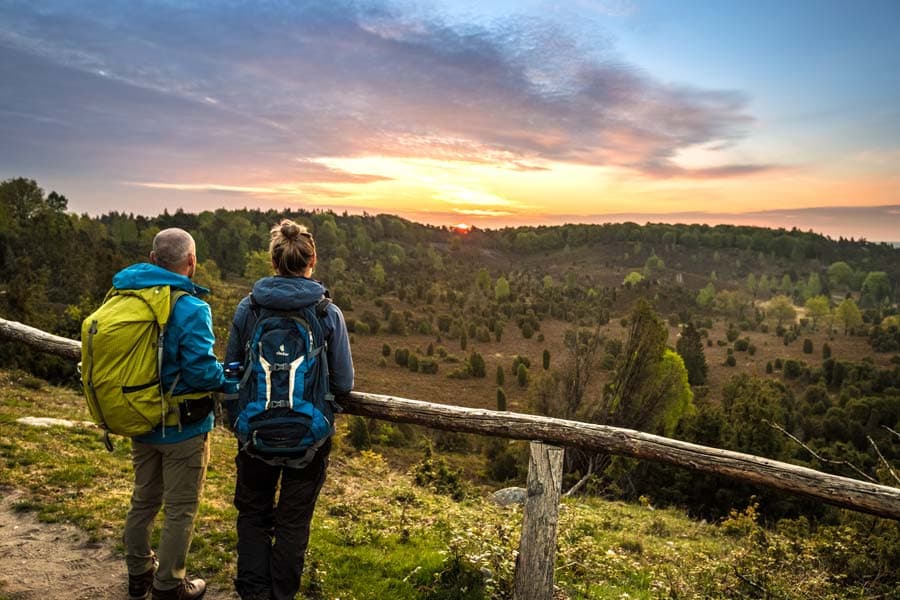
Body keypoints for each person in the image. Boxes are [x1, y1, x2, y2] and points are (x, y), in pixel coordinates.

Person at [225, 219, 354, 600]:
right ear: (312, 259)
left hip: (256, 435)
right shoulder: (328, 312)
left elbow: (232, 370)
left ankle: (253, 593)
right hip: (308, 439)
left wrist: (237, 421)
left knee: (252, 516)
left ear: (273, 261)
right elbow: (344, 384)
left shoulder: (248, 308)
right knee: (293, 523)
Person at [120, 228, 226, 600]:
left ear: (152, 259)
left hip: (139, 418)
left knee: (144, 500)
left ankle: (138, 574)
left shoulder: (126, 297)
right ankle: (168, 586)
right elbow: (200, 371)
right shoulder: (191, 307)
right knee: (180, 509)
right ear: (192, 262)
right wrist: (225, 378)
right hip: (184, 428)